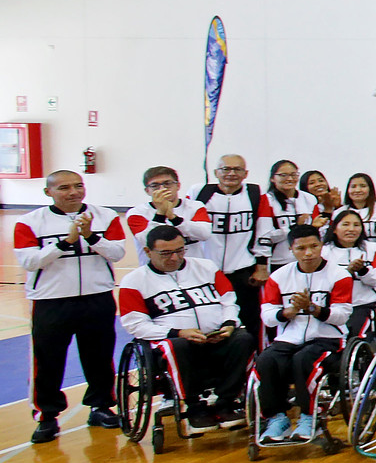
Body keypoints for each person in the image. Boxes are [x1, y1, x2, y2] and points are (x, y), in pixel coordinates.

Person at [19, 168, 131, 439]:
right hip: (51, 300)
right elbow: (29, 261)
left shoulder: (105, 216)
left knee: (100, 356)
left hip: (97, 297)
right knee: (48, 360)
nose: (73, 192)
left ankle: (101, 406)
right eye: (64, 187)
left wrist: (91, 237)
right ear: (49, 192)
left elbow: (117, 253)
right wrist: (66, 242)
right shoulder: (30, 221)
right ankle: (47, 415)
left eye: (77, 186)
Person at [116, 225, 254, 432]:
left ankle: (226, 403)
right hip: (173, 343)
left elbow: (228, 301)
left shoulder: (206, 267)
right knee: (176, 346)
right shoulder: (134, 282)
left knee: (244, 338)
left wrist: (228, 324)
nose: (174, 258)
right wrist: (178, 333)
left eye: (180, 251)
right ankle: (194, 408)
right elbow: (135, 324)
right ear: (147, 252)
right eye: (166, 253)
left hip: (215, 337)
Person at [254, 224, 355, 442]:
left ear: (321, 246)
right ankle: (276, 419)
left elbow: (342, 315)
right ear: (291, 249)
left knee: (303, 360)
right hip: (289, 337)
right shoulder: (279, 276)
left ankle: (310, 416)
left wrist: (313, 308)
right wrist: (290, 311)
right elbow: (268, 316)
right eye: (301, 248)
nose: (308, 253)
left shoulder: (339, 275)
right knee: (266, 360)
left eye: (313, 246)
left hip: (328, 337)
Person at [197, 154, 268, 329]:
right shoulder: (200, 193)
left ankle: (253, 355)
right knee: (208, 318)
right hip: (207, 270)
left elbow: (264, 231)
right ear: (216, 172)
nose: (231, 173)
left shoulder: (255, 195)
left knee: (249, 318)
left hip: (243, 270)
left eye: (237, 169)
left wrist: (261, 266)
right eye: (226, 169)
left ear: (246, 173)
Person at [323, 208, 376, 341]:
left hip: (363, 305)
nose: (351, 229)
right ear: (334, 228)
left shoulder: (372, 248)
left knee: (357, 339)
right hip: (334, 307)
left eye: (356, 225)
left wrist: (363, 271)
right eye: (345, 224)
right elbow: (322, 280)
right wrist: (347, 272)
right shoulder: (324, 251)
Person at [125, 165, 213, 261]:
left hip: (191, 267)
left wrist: (174, 218)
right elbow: (146, 241)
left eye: (167, 183)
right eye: (155, 186)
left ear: (178, 186)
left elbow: (204, 234)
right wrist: (160, 214)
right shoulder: (136, 212)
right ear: (147, 191)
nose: (162, 189)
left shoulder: (195, 206)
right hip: (156, 270)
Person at [257, 159, 322, 271]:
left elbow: (318, 231)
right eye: (283, 175)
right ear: (273, 178)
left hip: (306, 261)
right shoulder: (267, 200)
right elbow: (265, 237)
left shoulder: (309, 199)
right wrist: (294, 227)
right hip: (278, 262)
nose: (290, 179)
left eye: (293, 175)